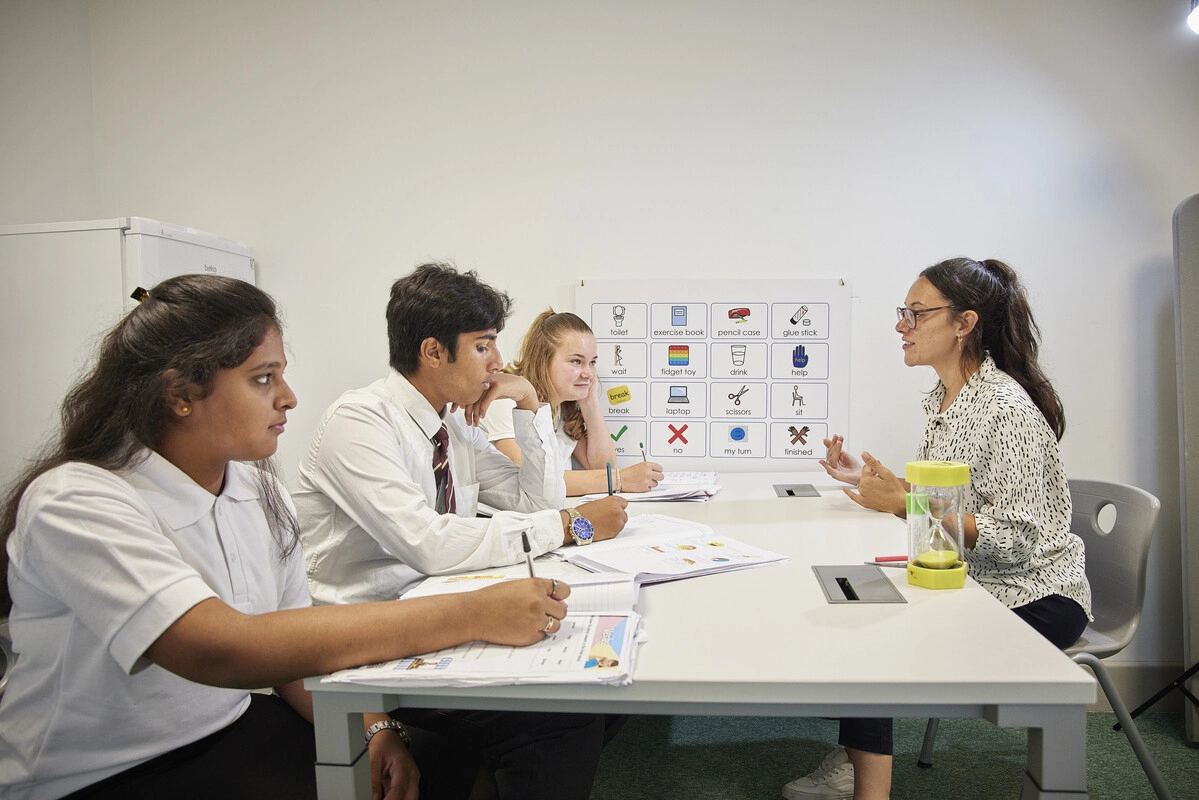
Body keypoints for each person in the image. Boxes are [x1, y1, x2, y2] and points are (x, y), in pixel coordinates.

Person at [0, 275, 604, 800]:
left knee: (454, 761)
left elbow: (292, 634)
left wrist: (373, 728)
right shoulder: (78, 499)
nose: (289, 397)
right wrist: (474, 614)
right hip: (103, 772)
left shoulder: (250, 487)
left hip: (232, 720)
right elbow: (224, 649)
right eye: (264, 379)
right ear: (180, 394)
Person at [782, 257, 1091, 800]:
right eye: (903, 313)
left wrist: (905, 503)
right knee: (859, 606)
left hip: (1036, 595)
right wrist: (872, 479)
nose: (901, 325)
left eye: (915, 314)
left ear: (963, 323)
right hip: (971, 578)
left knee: (876, 634)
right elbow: (950, 498)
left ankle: (866, 786)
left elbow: (1018, 536)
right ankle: (860, 759)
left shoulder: (1005, 407)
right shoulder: (944, 399)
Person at [293, 264, 629, 606]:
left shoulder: (453, 425)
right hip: (366, 619)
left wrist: (529, 400)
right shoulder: (358, 422)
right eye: (483, 347)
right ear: (434, 352)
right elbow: (428, 544)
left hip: (439, 600)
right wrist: (569, 525)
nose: (498, 362)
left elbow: (537, 503)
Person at [478, 309, 664, 496]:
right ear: (543, 361)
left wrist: (589, 400)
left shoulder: (564, 405)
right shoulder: (506, 401)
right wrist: (619, 479)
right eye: (576, 361)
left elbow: (600, 466)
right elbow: (534, 480)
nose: (588, 372)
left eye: (592, 362)